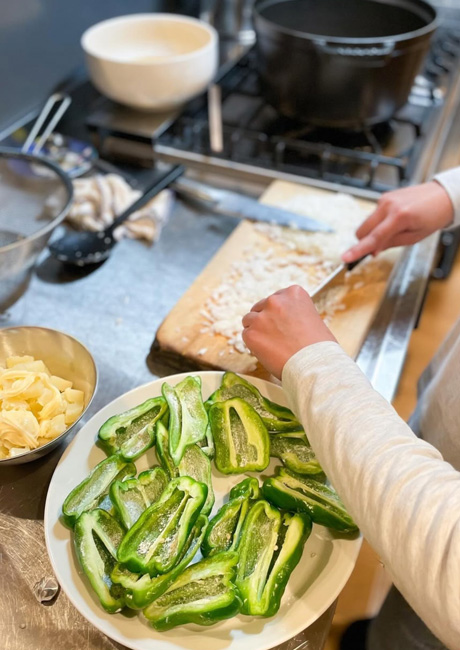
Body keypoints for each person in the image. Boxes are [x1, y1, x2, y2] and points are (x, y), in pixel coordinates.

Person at [241, 167, 460, 650]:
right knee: (399, 610)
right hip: (437, 447)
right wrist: (454, 192)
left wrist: (315, 365)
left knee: (414, 634)